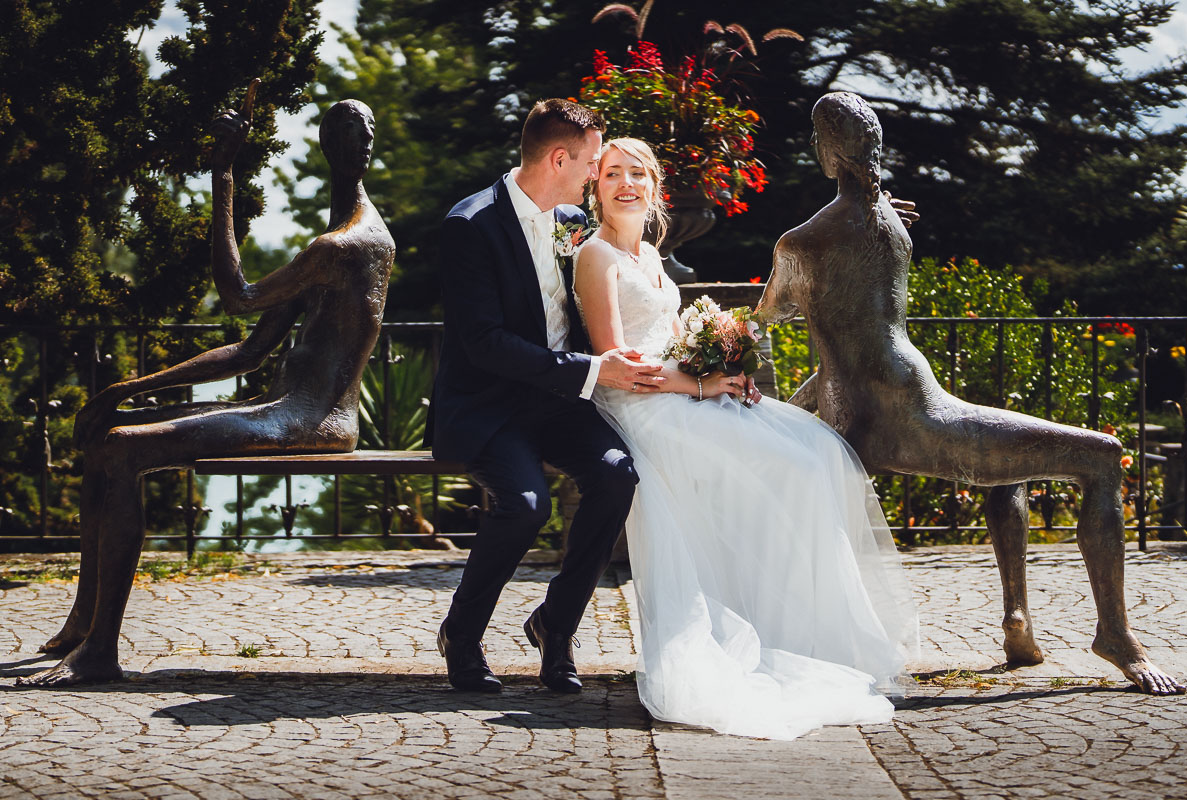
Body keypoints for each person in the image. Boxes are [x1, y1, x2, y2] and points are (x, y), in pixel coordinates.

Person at [757, 91, 1184, 695]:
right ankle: (1113, 633)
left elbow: (768, 316)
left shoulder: (804, 242)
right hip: (913, 416)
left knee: (1010, 469)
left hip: (856, 415)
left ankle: (1018, 617)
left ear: (826, 151)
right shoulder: (882, 227)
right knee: (1101, 456)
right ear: (874, 150)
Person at [20, 92, 395, 687]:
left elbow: (239, 296)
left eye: (364, 131)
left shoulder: (347, 245)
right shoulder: (331, 242)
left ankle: (98, 654)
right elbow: (249, 349)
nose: (359, 142)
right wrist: (127, 388)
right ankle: (83, 623)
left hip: (309, 419)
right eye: (347, 132)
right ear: (327, 147)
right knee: (104, 441)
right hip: (284, 410)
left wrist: (222, 177)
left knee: (122, 450)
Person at [571, 137, 921, 740]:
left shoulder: (651, 257)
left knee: (812, 460)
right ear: (595, 187)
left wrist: (722, 369)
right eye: (611, 174)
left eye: (637, 173)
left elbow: (672, 340)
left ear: (656, 186)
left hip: (681, 392)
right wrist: (709, 386)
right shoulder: (596, 256)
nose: (625, 183)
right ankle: (744, 634)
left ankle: (791, 632)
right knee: (784, 464)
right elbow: (618, 363)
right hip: (641, 405)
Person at [429, 100, 664, 694]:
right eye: (591, 163)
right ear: (560, 158)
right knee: (526, 504)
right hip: (491, 402)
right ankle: (462, 632)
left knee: (617, 477)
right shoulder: (470, 225)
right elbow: (484, 343)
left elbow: (621, 271)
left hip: (559, 402)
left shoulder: (567, 219)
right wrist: (587, 369)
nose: (595, 175)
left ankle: (555, 627)